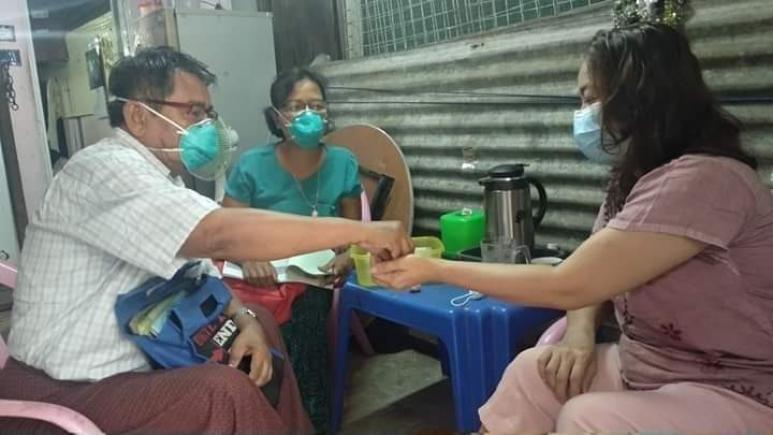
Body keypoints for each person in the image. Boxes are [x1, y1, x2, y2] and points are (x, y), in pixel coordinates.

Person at [372, 24, 773, 433]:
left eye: (590, 98)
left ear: (637, 96)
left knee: (586, 420)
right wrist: (579, 333)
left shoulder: (706, 180)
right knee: (534, 373)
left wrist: (435, 268)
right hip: (647, 368)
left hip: (736, 389)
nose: (583, 115)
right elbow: (594, 273)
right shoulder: (635, 179)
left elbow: (571, 282)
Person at [0, 46, 412, 434]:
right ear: (138, 116)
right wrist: (363, 231)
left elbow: (195, 273)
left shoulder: (162, 181)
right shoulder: (103, 171)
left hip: (145, 358)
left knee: (262, 325)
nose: (208, 128)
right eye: (193, 112)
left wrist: (244, 317)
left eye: (208, 113)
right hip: (66, 386)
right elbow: (220, 234)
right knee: (223, 392)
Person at [223, 67, 360, 432]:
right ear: (277, 117)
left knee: (304, 323)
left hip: (314, 279)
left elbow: (353, 231)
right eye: (296, 107)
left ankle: (311, 421)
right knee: (230, 330)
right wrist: (249, 258)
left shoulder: (344, 162)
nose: (308, 116)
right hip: (257, 276)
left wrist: (346, 255)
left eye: (316, 106)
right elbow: (224, 235)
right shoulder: (252, 165)